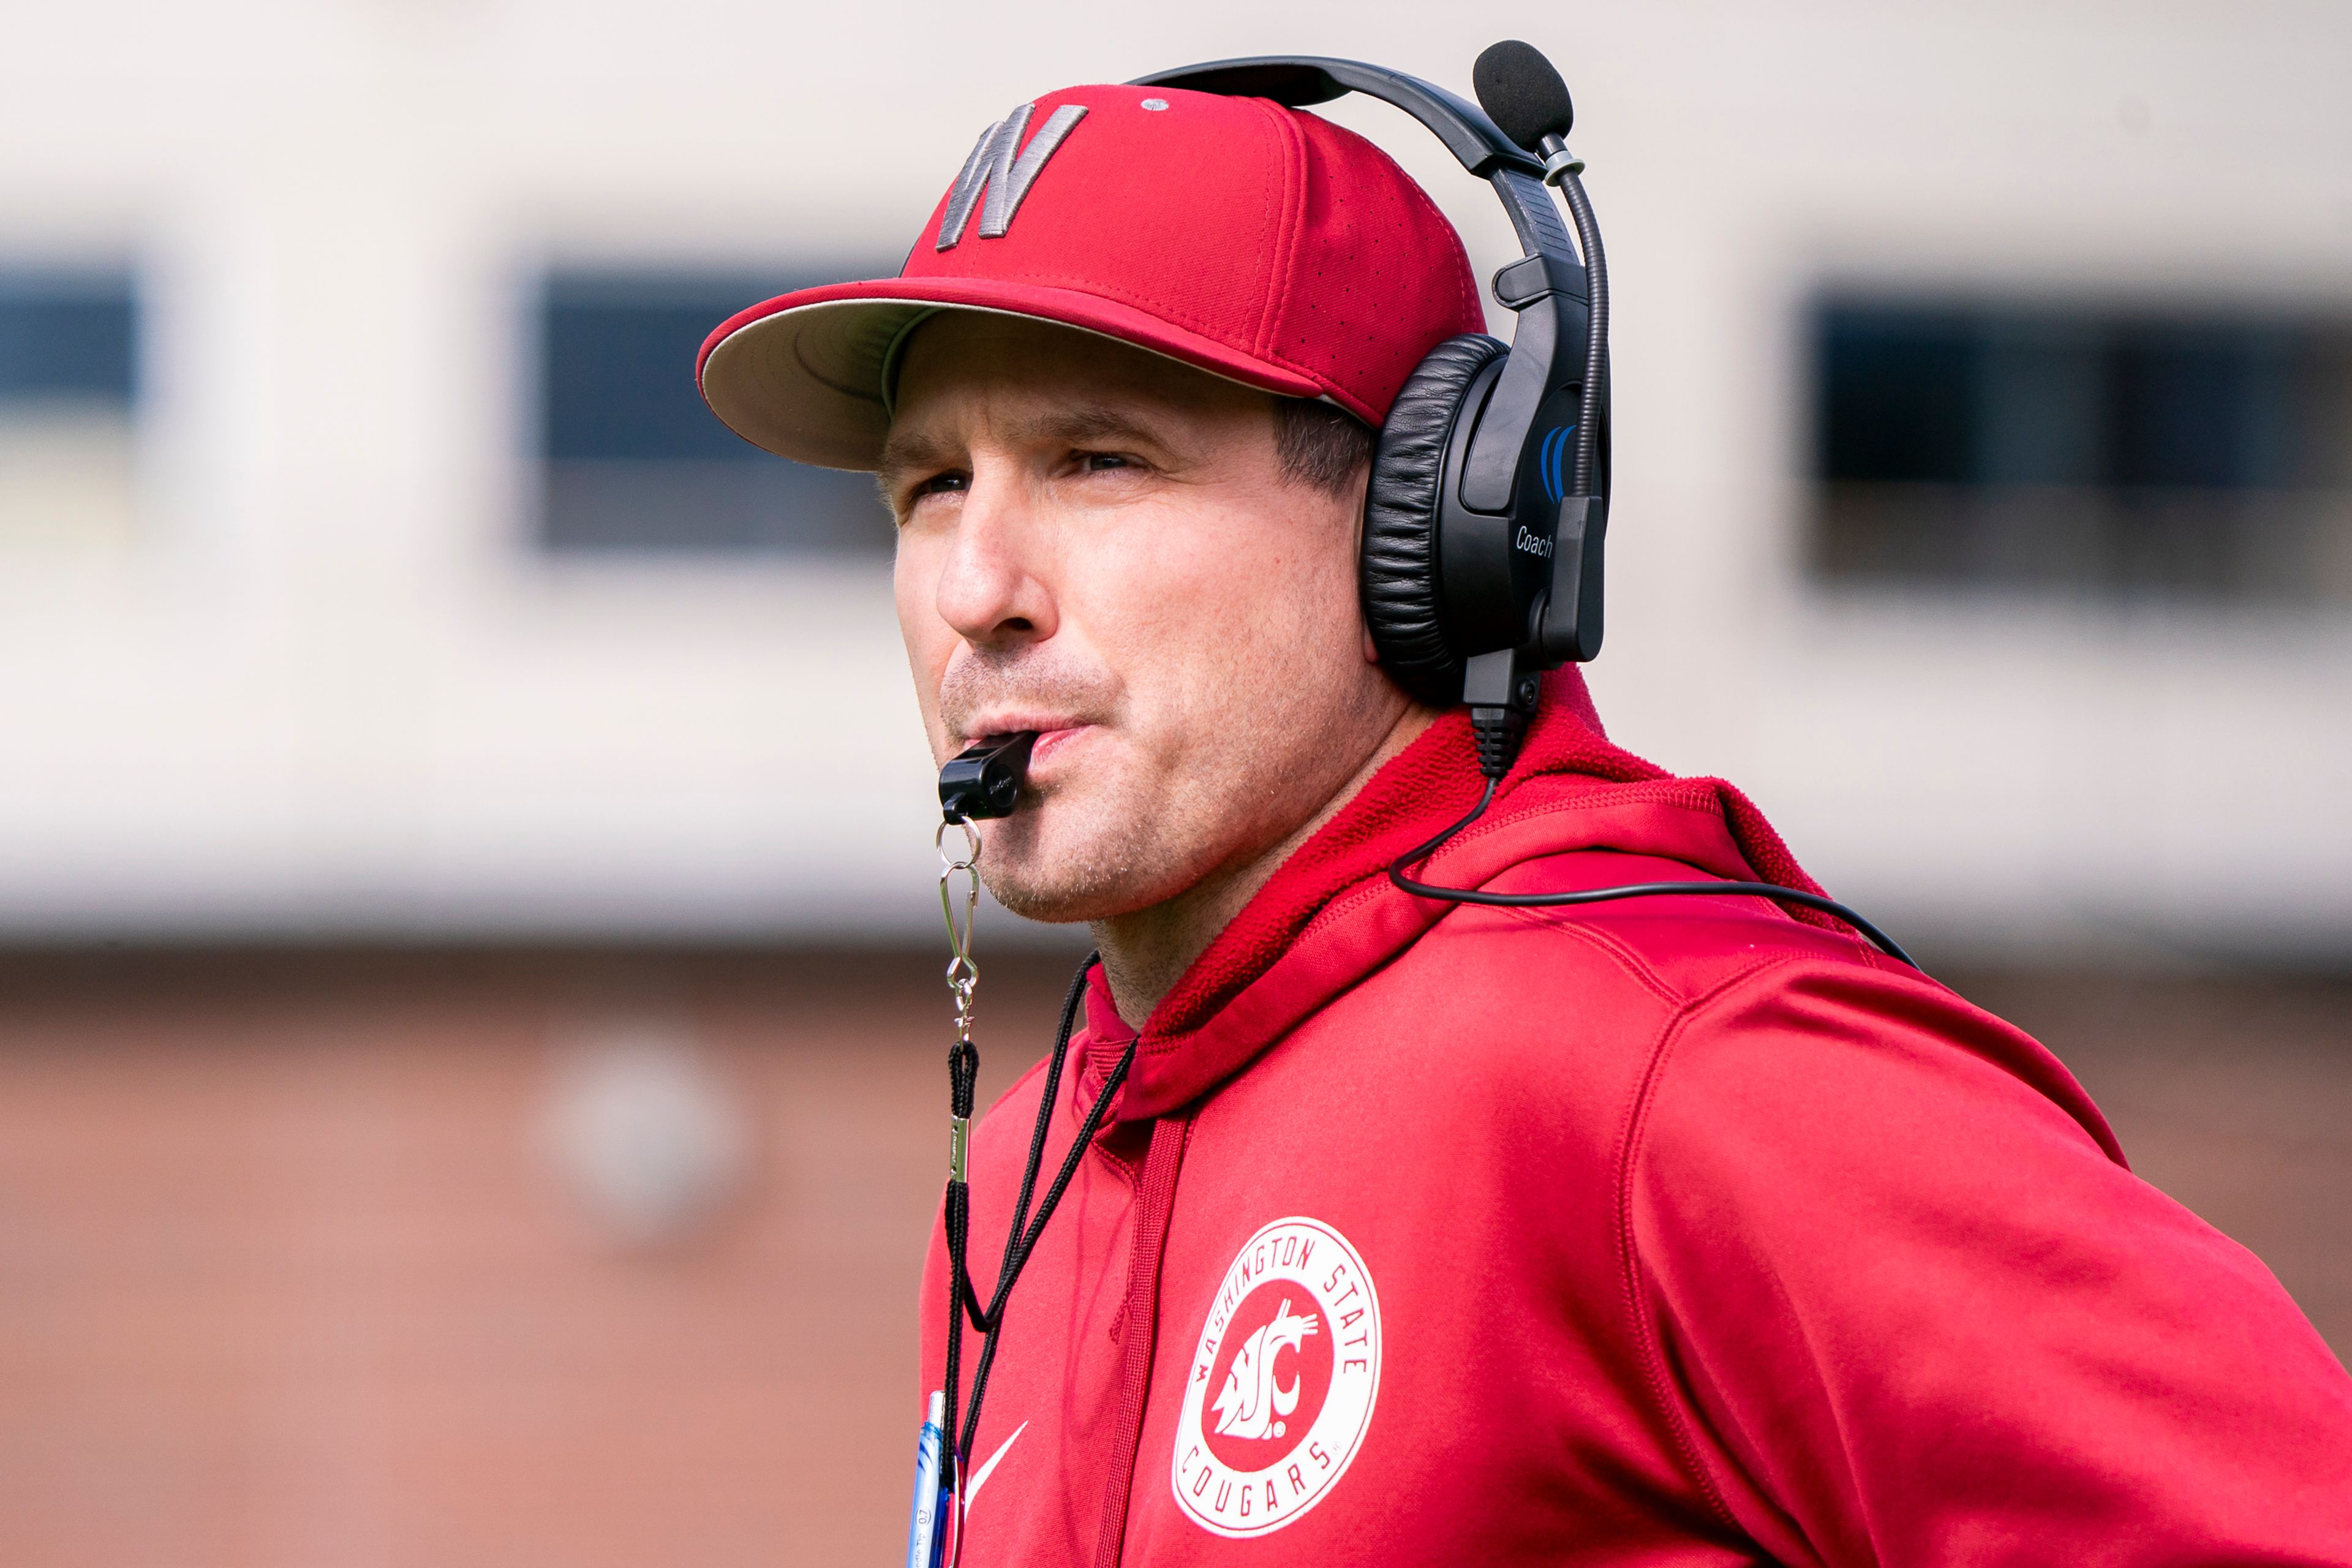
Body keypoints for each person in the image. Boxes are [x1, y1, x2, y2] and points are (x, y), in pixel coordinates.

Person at [696, 67, 2352, 1568]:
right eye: (931, 487)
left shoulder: (1688, 1069)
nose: (976, 589)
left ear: (1435, 513)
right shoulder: (1028, 1160)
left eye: (1099, 461)